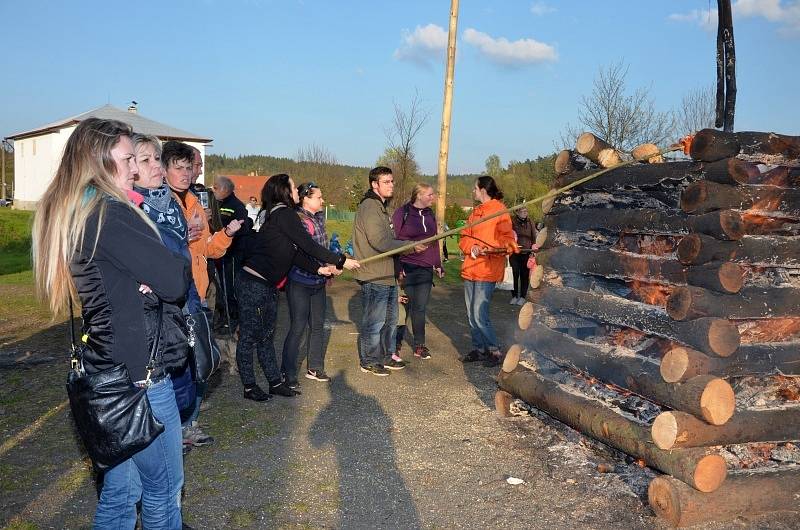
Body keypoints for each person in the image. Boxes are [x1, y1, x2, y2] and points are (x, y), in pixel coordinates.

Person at [32, 118, 190, 528]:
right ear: (100, 162)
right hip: (139, 377)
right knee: (162, 492)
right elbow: (174, 280)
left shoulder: (78, 210)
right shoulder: (109, 215)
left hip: (106, 370)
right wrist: (169, 265)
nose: (135, 168)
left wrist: (145, 277)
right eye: (126, 159)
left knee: (121, 495)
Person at [236, 174, 359, 400]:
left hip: (267, 285)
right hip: (252, 282)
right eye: (292, 187)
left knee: (266, 336)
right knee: (250, 336)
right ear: (283, 190)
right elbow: (307, 244)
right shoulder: (284, 214)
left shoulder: (284, 215)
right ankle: (249, 386)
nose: (295, 190)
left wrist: (318, 269)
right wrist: (339, 259)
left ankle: (275, 382)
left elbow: (293, 253)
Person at [132, 134, 213, 450]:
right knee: (167, 375)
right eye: (145, 160)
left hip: (186, 295)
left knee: (191, 368)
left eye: (156, 158)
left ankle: (183, 428)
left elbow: (191, 253)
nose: (184, 173)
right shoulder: (135, 206)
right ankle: (167, 437)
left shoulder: (175, 203)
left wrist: (194, 299)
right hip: (157, 308)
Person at [352, 166, 426, 376]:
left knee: (391, 321)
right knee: (374, 322)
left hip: (388, 275)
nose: (391, 185)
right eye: (386, 182)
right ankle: (369, 360)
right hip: (374, 275)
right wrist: (410, 245)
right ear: (374, 184)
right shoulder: (369, 207)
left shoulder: (381, 208)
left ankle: (385, 356)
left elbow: (390, 240)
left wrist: (405, 250)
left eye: (392, 181)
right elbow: (379, 241)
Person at [280, 182, 340, 384]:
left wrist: (328, 271)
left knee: (317, 325)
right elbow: (303, 252)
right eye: (318, 197)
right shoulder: (299, 221)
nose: (322, 201)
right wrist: (324, 266)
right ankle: (286, 372)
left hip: (318, 282)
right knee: (298, 326)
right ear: (305, 198)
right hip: (299, 282)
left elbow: (321, 249)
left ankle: (314, 368)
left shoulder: (319, 218)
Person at [458, 176, 518, 367]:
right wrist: (472, 246)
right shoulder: (475, 212)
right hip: (470, 268)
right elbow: (463, 238)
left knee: (479, 312)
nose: (473, 192)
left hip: (487, 270)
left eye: (475, 188)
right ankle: (479, 349)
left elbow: (507, 239)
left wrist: (496, 246)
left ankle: (494, 350)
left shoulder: (500, 211)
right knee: (470, 313)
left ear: (483, 190)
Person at [392, 183, 444, 360]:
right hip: (406, 266)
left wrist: (437, 264)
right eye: (429, 194)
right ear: (419, 196)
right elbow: (394, 242)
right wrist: (398, 267)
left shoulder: (430, 215)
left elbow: (435, 241)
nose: (433, 197)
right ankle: (395, 343)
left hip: (425, 269)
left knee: (420, 308)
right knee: (403, 307)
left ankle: (419, 345)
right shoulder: (402, 213)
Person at [212, 176, 251, 332]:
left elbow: (244, 228)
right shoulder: (217, 204)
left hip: (232, 255)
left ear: (225, 189)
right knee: (221, 287)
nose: (213, 190)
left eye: (216, 187)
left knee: (230, 288)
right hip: (218, 253)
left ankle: (233, 320)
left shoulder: (237, 206)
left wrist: (228, 236)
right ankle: (224, 317)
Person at [510, 206, 537, 305]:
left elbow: (534, 237)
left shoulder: (530, 222)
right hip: (514, 253)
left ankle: (522, 296)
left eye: (526, 211)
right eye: (523, 211)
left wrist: (533, 248)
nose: (525, 213)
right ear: (517, 212)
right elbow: (509, 235)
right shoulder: (512, 222)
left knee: (524, 275)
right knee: (514, 274)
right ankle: (514, 296)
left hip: (526, 253)